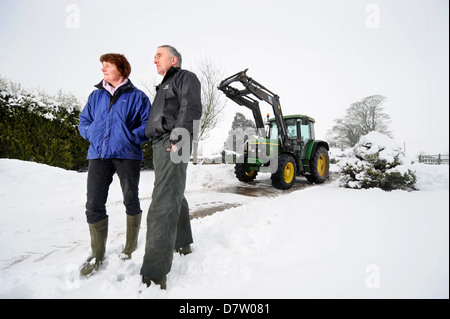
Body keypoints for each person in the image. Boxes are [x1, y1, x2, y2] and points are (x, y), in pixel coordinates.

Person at [78, 53, 151, 276]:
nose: (103, 69)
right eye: (102, 66)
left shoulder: (138, 97)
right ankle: (97, 254)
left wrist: (129, 137)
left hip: (127, 155)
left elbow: (147, 125)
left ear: (121, 69)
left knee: (130, 198)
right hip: (98, 154)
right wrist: (92, 133)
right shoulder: (95, 95)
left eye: (107, 65)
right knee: (93, 203)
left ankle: (130, 246)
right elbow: (84, 121)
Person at [140, 45, 202, 289]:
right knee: (173, 193)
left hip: (172, 142)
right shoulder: (164, 85)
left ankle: (154, 274)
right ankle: (182, 243)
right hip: (160, 144)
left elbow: (191, 109)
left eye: (159, 55)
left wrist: (178, 139)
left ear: (173, 59)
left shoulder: (185, 77)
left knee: (162, 203)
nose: (154, 59)